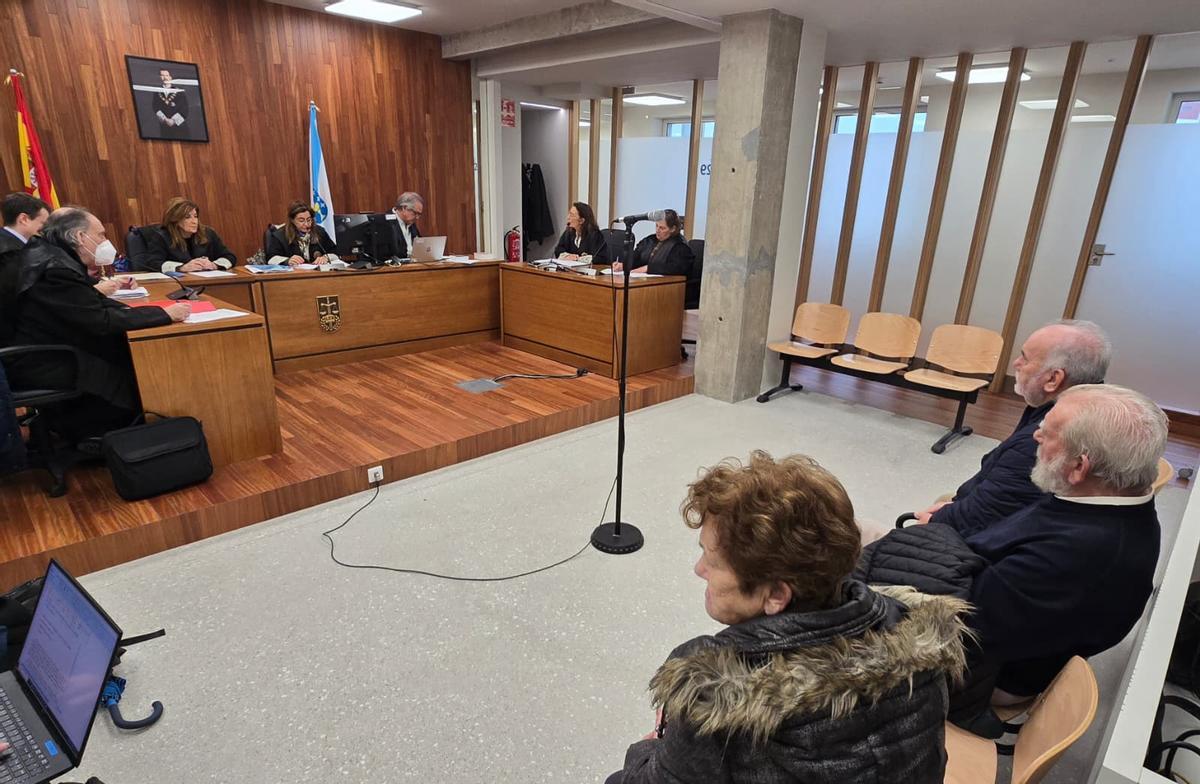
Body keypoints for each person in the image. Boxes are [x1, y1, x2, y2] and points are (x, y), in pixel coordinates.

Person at [606, 451, 969, 784]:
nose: (699, 569)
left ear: (777, 595)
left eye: (713, 563)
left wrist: (654, 744)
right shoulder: (921, 642)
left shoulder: (715, 693)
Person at [964, 383, 1165, 705]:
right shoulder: (1106, 499)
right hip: (990, 621)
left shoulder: (1074, 555)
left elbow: (960, 629)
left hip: (979, 673)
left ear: (1078, 467)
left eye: (1048, 433)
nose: (1035, 437)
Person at [0, 208, 190, 440]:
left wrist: (139, 312)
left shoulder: (48, 255)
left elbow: (92, 303)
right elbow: (100, 321)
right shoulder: (56, 269)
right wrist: (165, 314)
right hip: (37, 360)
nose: (106, 242)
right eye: (101, 235)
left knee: (121, 347)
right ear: (80, 237)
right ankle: (112, 437)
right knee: (128, 359)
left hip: (40, 347)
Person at [914, 320, 1111, 536]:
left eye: (1024, 358)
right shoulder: (1085, 406)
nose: (1016, 363)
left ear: (1053, 379)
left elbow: (984, 514)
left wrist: (939, 519)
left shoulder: (1042, 440)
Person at [132, 197, 236, 274]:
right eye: (187, 217)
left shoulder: (208, 233)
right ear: (175, 220)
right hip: (176, 285)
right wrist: (181, 267)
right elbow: (152, 263)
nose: (194, 221)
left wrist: (215, 264)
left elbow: (229, 256)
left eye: (195, 216)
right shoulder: (161, 236)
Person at [611, 209, 693, 276]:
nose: (658, 230)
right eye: (656, 226)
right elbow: (636, 257)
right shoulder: (649, 240)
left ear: (673, 229)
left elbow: (676, 268)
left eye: (662, 228)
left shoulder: (681, 247)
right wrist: (624, 265)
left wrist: (648, 268)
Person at [265, 201, 335, 266]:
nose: (307, 224)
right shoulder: (279, 235)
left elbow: (335, 252)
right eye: (301, 221)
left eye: (309, 220)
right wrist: (287, 261)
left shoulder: (319, 232)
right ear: (292, 220)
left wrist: (326, 257)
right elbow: (271, 258)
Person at [154, 68, 191, 140]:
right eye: (162, 75)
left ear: (170, 77)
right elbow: (155, 107)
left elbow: (185, 109)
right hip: (165, 127)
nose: (165, 77)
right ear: (160, 77)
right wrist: (165, 119)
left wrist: (173, 121)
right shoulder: (157, 92)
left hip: (180, 127)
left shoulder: (179, 91)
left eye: (167, 75)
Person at [391, 192, 424, 259]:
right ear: (404, 208)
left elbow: (420, 246)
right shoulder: (387, 223)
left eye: (419, 214)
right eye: (415, 213)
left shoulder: (410, 222)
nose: (417, 217)